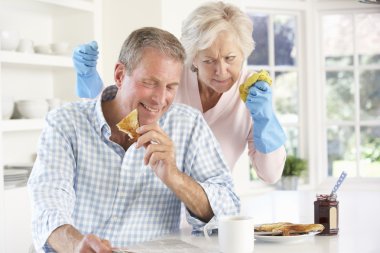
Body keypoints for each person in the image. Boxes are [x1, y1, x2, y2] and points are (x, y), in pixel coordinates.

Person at [28, 27, 240, 253]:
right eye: (150, 82)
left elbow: (229, 209)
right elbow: (48, 207)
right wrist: (77, 245)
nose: (160, 99)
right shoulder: (65, 123)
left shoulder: (188, 125)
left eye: (170, 87)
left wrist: (174, 177)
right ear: (120, 75)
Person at [73, 1, 286, 184]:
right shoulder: (171, 77)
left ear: (244, 53)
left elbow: (270, 175)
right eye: (208, 60)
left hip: (207, 216)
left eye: (230, 58)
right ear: (192, 57)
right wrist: (90, 84)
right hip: (149, 213)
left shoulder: (254, 92)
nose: (221, 71)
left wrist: (265, 120)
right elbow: (120, 115)